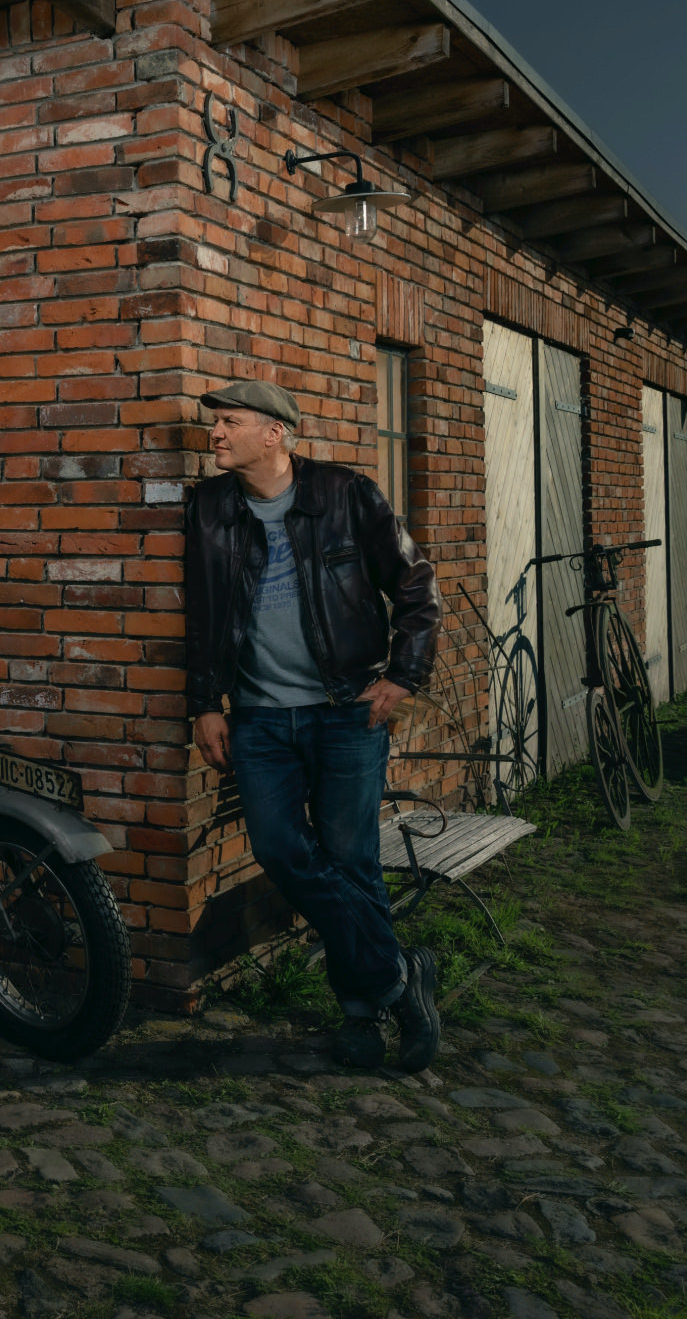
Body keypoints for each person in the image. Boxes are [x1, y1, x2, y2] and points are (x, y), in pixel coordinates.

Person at [183, 380, 446, 1071]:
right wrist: (206, 702)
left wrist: (403, 675)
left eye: (229, 422)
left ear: (274, 433)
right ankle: (398, 976)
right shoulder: (208, 508)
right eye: (215, 423)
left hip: (345, 711)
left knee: (349, 855)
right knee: (279, 847)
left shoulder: (346, 494)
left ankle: (360, 1013)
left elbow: (417, 586)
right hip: (260, 718)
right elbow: (203, 616)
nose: (215, 433)